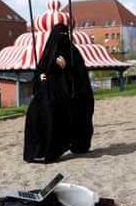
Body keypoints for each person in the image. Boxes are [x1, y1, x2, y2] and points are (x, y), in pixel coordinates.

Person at [24, 23, 94, 163]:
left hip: (68, 93)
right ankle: (40, 149)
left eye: (65, 35)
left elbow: (81, 78)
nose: (62, 38)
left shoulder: (73, 53)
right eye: (59, 35)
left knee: (53, 109)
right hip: (46, 92)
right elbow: (38, 73)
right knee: (34, 112)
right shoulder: (48, 52)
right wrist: (40, 77)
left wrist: (67, 68)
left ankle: (57, 148)